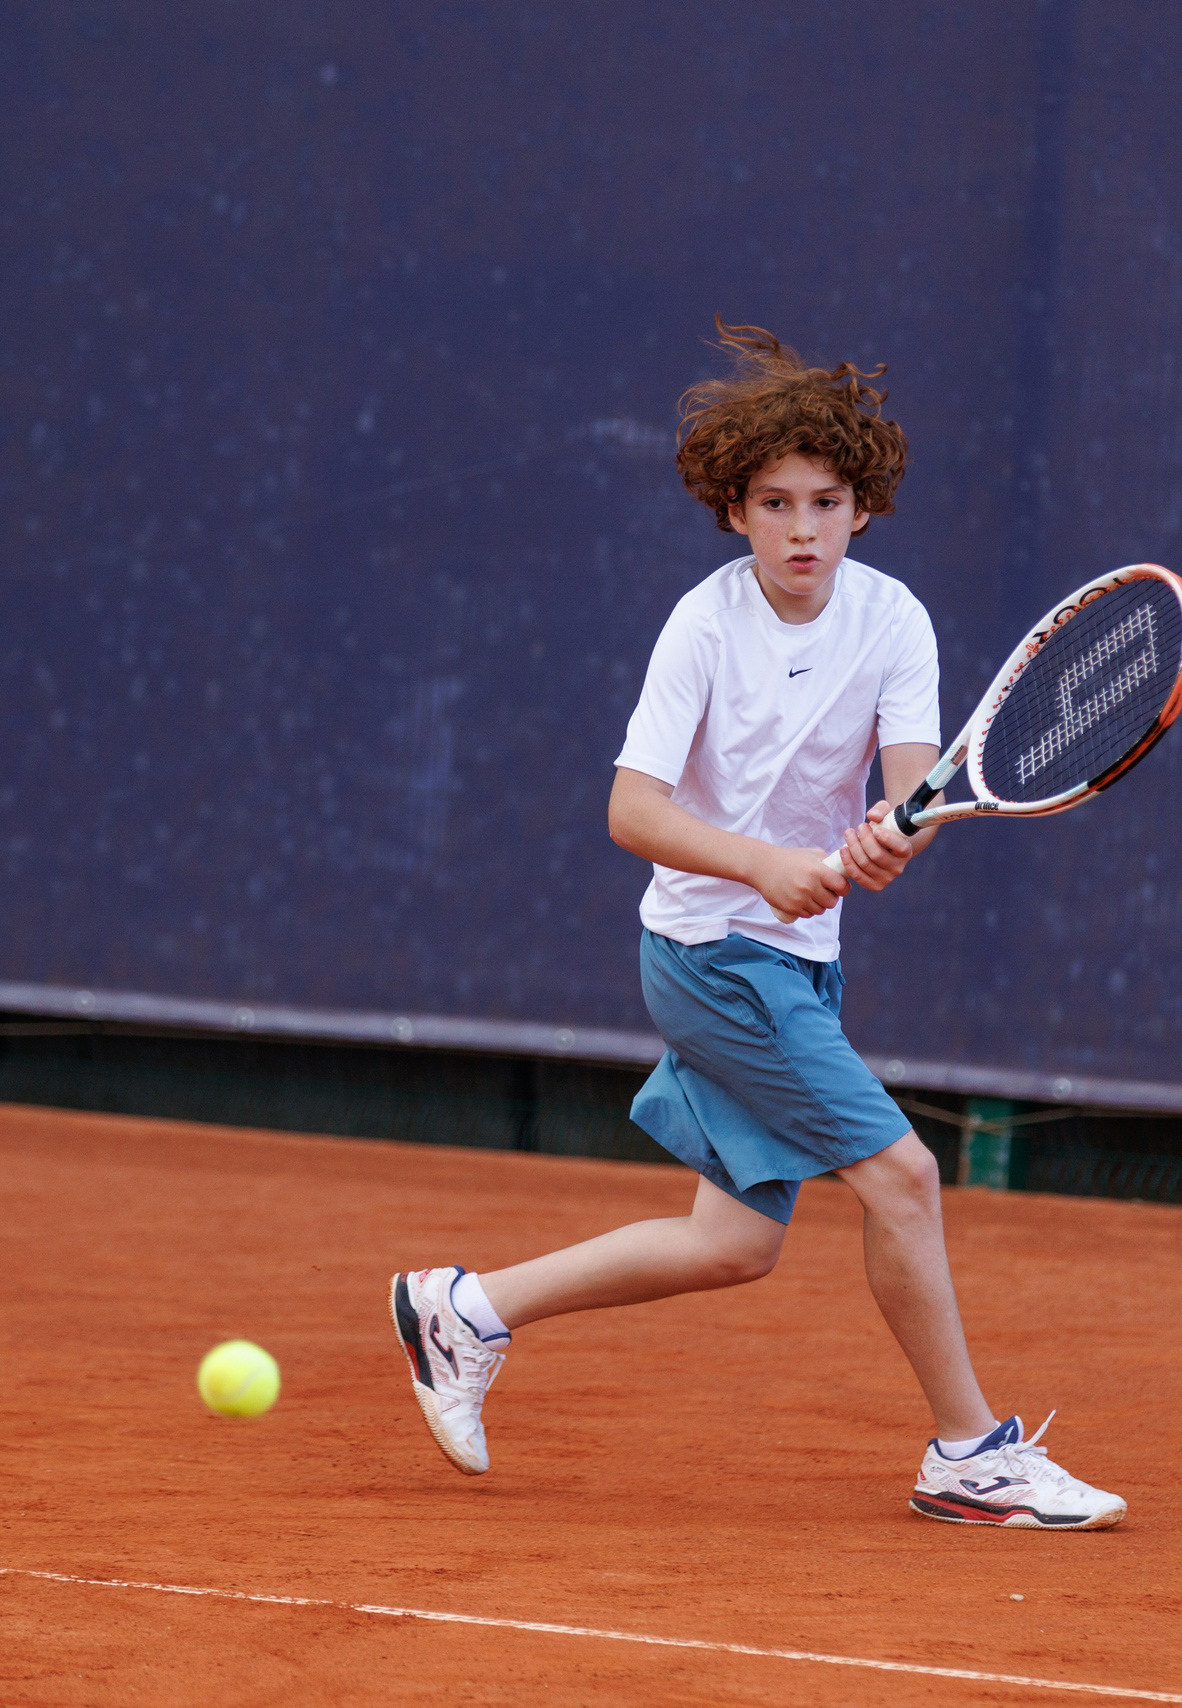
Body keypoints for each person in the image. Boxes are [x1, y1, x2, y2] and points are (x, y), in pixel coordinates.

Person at [389, 323, 1124, 1529]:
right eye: (773, 502)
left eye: (825, 501)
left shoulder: (894, 622)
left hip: (795, 962)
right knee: (903, 1176)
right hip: (710, 959)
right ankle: (966, 1453)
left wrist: (897, 831)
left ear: (862, 508)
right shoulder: (704, 624)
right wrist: (764, 866)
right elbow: (632, 808)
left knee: (732, 1243)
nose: (800, 528)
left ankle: (463, 1307)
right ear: (734, 510)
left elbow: (911, 786)